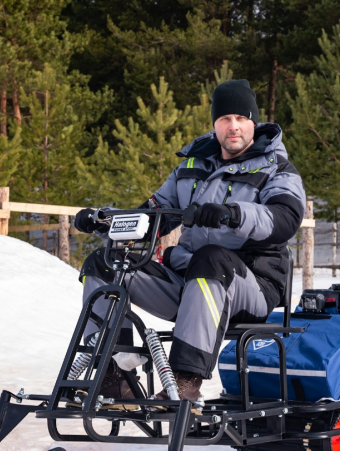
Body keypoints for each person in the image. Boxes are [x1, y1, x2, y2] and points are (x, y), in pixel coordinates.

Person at [74, 79, 306, 402]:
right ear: (215, 124)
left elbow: (284, 218)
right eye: (225, 119)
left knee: (210, 258)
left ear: (254, 122)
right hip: (187, 282)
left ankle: (184, 383)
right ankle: (113, 376)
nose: (233, 126)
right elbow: (153, 215)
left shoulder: (277, 168)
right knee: (104, 265)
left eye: (241, 119)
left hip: (250, 285)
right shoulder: (191, 167)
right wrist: (104, 222)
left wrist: (232, 214)